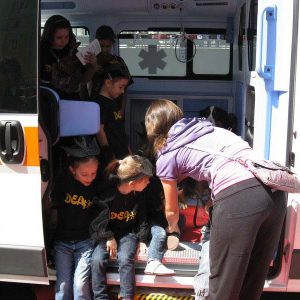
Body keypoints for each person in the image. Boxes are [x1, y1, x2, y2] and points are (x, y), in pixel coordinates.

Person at [144, 99, 287, 300]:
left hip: (241, 198)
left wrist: (173, 228)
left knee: (223, 287)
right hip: (275, 193)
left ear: (153, 127)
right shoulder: (208, 130)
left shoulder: (167, 153)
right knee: (251, 284)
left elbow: (171, 210)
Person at [90, 155, 152, 300]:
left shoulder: (139, 195)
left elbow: (142, 217)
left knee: (125, 259)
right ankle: (100, 297)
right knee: (97, 260)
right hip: (105, 235)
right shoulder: (107, 196)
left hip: (127, 233)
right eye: (146, 179)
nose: (149, 182)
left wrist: (142, 239)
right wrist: (109, 237)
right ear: (132, 183)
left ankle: (127, 297)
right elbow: (98, 220)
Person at [50, 135, 100, 300]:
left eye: (93, 173)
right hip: (62, 242)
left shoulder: (96, 186)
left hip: (84, 242)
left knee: (80, 286)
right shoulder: (63, 182)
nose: (90, 178)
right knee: (63, 286)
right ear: (72, 170)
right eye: (85, 174)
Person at [40, 15, 96, 99]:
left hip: (71, 98)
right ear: (49, 36)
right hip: (49, 98)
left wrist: (92, 66)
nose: (63, 41)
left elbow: (83, 80)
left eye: (66, 37)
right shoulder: (41, 53)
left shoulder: (74, 52)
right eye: (59, 38)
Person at [93, 63, 131, 166]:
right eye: (120, 87)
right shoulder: (99, 104)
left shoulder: (113, 103)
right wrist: (107, 152)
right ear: (108, 82)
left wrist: (128, 151)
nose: (123, 91)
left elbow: (120, 129)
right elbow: (99, 129)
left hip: (122, 154)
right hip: (112, 156)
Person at [90, 25, 133, 116]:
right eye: (101, 46)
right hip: (95, 106)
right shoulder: (90, 61)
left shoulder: (119, 62)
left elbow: (125, 89)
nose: (104, 50)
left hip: (115, 107)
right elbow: (84, 85)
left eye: (108, 46)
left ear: (112, 44)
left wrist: (121, 110)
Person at [143, 176, 175, 275]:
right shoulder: (149, 187)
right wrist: (141, 239)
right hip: (150, 221)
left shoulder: (167, 183)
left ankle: (172, 236)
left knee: (182, 219)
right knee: (160, 233)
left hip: (161, 218)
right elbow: (143, 217)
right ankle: (153, 261)